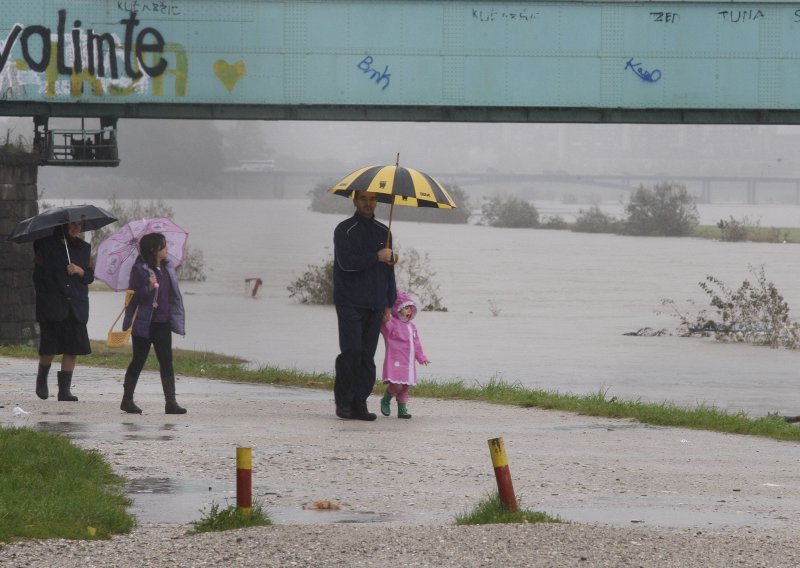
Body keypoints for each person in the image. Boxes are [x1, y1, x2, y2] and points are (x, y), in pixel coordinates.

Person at [333, 190, 397, 420]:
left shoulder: (384, 231)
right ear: (355, 200)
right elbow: (346, 263)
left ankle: (360, 403)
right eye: (363, 199)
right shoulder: (344, 230)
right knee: (351, 352)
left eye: (372, 199)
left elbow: (389, 271)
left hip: (376, 303)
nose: (368, 203)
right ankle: (344, 404)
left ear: (376, 202)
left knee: (367, 356)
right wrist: (377, 256)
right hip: (349, 301)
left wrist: (389, 303)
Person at [120, 232, 187, 415]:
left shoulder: (167, 268)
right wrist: (148, 287)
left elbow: (172, 295)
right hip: (144, 323)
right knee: (139, 360)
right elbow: (134, 298)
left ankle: (171, 402)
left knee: (166, 361)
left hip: (163, 322)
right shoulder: (139, 269)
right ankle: (127, 400)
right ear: (154, 250)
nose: (167, 250)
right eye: (163, 247)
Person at [33, 222, 94, 402]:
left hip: (76, 305)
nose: (77, 229)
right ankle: (42, 379)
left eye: (79, 226)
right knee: (49, 347)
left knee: (72, 348)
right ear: (62, 227)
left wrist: (79, 271)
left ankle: (64, 390)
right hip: (53, 305)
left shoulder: (84, 248)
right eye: (72, 226)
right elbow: (38, 277)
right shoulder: (45, 246)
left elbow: (89, 276)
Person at [379, 291, 430, 419]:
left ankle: (402, 409)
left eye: (410, 308)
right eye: (406, 308)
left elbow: (416, 344)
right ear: (398, 309)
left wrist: (421, 357)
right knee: (397, 385)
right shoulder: (392, 324)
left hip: (408, 362)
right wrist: (385, 310)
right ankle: (386, 399)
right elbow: (383, 322)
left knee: (405, 387)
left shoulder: (412, 327)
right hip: (396, 360)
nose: (409, 311)